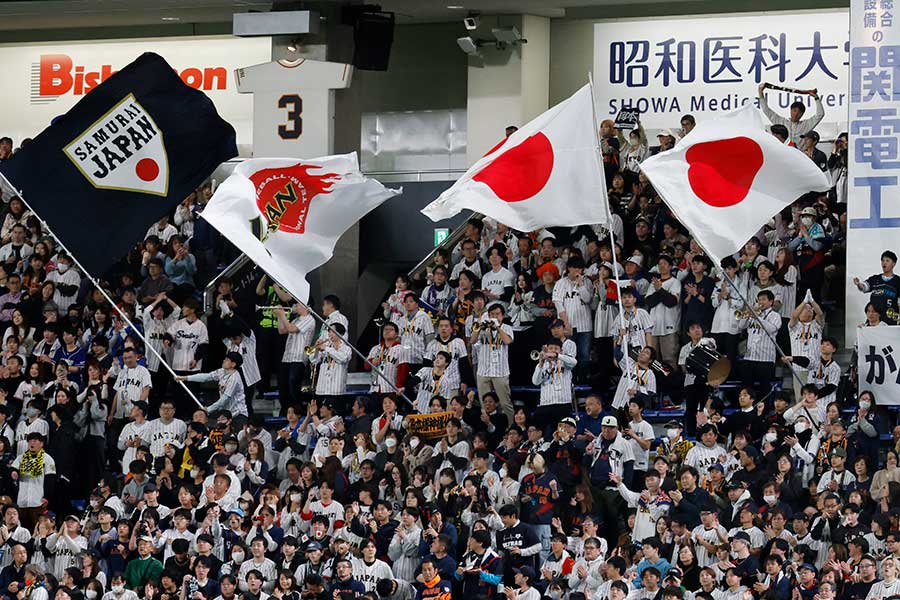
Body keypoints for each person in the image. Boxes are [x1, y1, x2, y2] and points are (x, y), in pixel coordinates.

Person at [758, 83, 825, 147]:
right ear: (790, 110)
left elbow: (820, 114)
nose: (796, 114)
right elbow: (766, 110)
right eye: (794, 111)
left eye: (799, 112)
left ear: (802, 114)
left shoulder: (806, 125)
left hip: (800, 155)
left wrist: (816, 98)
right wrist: (760, 93)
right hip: (786, 154)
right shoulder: (781, 122)